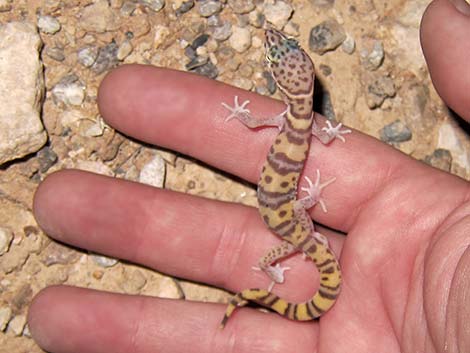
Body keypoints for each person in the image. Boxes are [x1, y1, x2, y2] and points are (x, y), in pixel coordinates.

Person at [28, 0, 470, 352]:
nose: (274, 44)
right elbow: (297, 135)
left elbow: (265, 128)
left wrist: (258, 131)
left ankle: (263, 285)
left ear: (287, 79)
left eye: (279, 50)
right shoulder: (301, 121)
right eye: (278, 51)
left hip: (283, 215)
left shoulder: (293, 122)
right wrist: (306, 186)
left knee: (288, 242)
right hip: (285, 215)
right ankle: (267, 280)